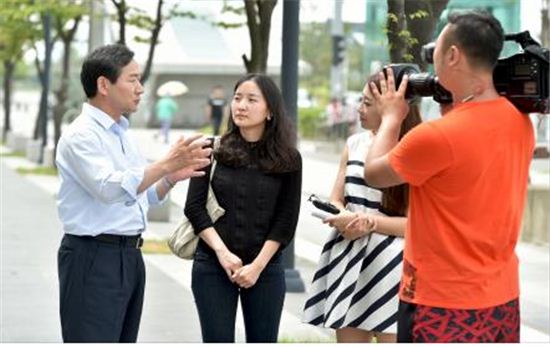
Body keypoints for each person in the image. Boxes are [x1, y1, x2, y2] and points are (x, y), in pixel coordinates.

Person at [363, 10, 534, 343]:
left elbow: (374, 174)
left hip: (440, 302)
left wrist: (390, 119)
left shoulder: (437, 136)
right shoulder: (520, 122)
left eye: (436, 50)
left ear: (453, 55)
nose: (433, 58)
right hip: (501, 299)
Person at [55, 44, 212, 342]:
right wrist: (165, 163)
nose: (140, 88)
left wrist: (169, 177)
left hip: (129, 256)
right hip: (93, 257)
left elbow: (140, 195)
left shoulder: (122, 132)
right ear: (104, 84)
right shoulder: (81, 135)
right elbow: (109, 188)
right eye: (133, 79)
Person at [303, 72, 422, 343]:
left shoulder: (415, 147)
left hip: (394, 264)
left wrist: (369, 223)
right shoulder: (355, 143)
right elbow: (336, 198)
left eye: (368, 103)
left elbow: (418, 223)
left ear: (394, 106)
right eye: (361, 100)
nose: (359, 109)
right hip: (348, 252)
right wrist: (341, 216)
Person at [184, 74, 302, 342]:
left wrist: (257, 267)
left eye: (251, 100)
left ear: (270, 110)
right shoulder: (210, 150)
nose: (241, 106)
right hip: (213, 265)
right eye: (237, 98)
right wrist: (223, 254)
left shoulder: (289, 159)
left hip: (265, 268)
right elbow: (194, 208)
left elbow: (286, 220)